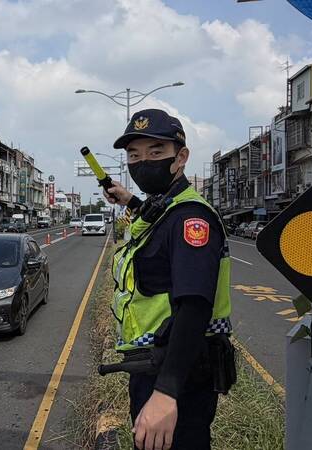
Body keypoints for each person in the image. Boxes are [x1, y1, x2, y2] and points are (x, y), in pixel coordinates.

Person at [102, 109, 235, 450]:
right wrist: (129, 199)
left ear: (181, 158)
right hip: (154, 367)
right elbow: (155, 216)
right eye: (134, 155)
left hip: (178, 376)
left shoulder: (191, 218)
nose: (143, 162)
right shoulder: (167, 209)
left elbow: (194, 307)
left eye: (156, 152)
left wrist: (166, 392)